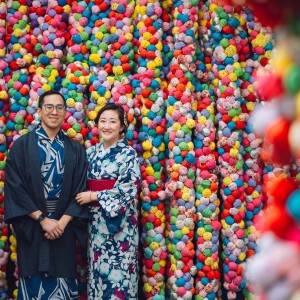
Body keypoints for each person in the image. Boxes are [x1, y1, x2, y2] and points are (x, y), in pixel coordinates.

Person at [4, 90, 89, 300]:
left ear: (65, 113)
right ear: (40, 111)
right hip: (32, 225)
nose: (54, 112)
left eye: (59, 107)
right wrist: (42, 220)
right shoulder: (21, 146)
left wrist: (61, 223)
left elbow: (80, 188)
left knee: (63, 280)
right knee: (32, 283)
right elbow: (15, 186)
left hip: (64, 227)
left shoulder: (75, 149)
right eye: (49, 107)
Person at [75, 103, 141, 299]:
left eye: (113, 121)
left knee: (120, 274)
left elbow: (129, 187)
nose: (106, 126)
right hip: (96, 223)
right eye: (102, 121)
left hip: (121, 225)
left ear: (122, 126)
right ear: (96, 125)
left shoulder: (128, 154)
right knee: (97, 272)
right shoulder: (91, 153)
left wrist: (94, 196)